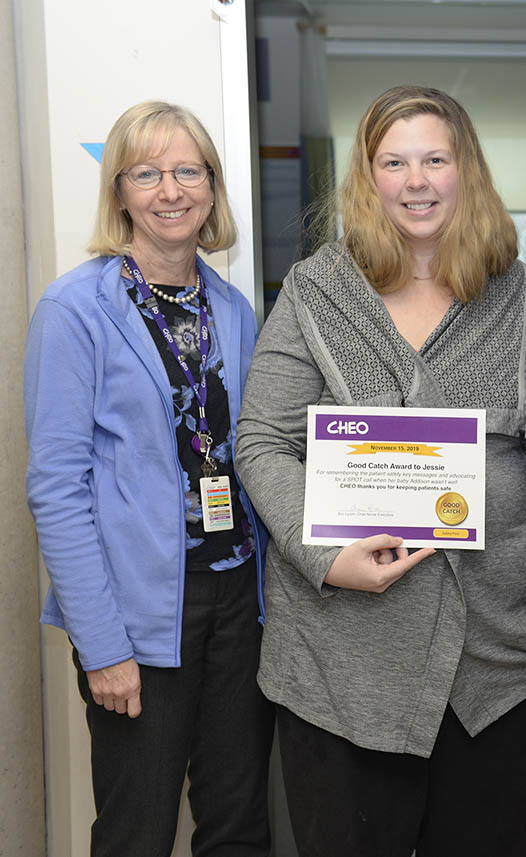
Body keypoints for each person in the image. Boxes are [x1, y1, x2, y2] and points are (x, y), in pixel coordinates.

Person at [235, 86, 526, 857]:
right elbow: (260, 441)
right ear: (368, 176)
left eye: (434, 159)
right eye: (394, 162)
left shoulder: (517, 295)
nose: (416, 181)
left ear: (466, 170)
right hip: (345, 666)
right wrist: (326, 557)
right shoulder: (320, 293)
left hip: (504, 664)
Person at [23, 101, 273, 856]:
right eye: (148, 173)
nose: (171, 189)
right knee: (137, 829)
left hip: (238, 599)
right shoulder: (74, 311)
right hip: (137, 613)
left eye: (188, 170)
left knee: (237, 824)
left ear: (212, 187)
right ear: (120, 191)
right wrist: (102, 645)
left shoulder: (233, 310)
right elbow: (56, 488)